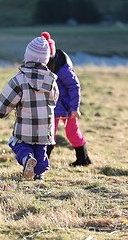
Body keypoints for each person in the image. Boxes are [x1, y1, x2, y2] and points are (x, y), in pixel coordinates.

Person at [0, 36, 59, 181]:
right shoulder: (51, 80)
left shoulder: (19, 79)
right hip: (45, 127)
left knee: (18, 143)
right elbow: (54, 99)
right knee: (41, 150)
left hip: (25, 127)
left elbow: (7, 99)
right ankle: (39, 175)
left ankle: (27, 159)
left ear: (27, 58)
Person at [42, 32, 92, 167]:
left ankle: (83, 159)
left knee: (72, 132)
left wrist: (74, 108)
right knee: (49, 134)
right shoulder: (43, 67)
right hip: (51, 107)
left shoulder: (63, 69)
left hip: (67, 107)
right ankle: (44, 161)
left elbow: (74, 87)